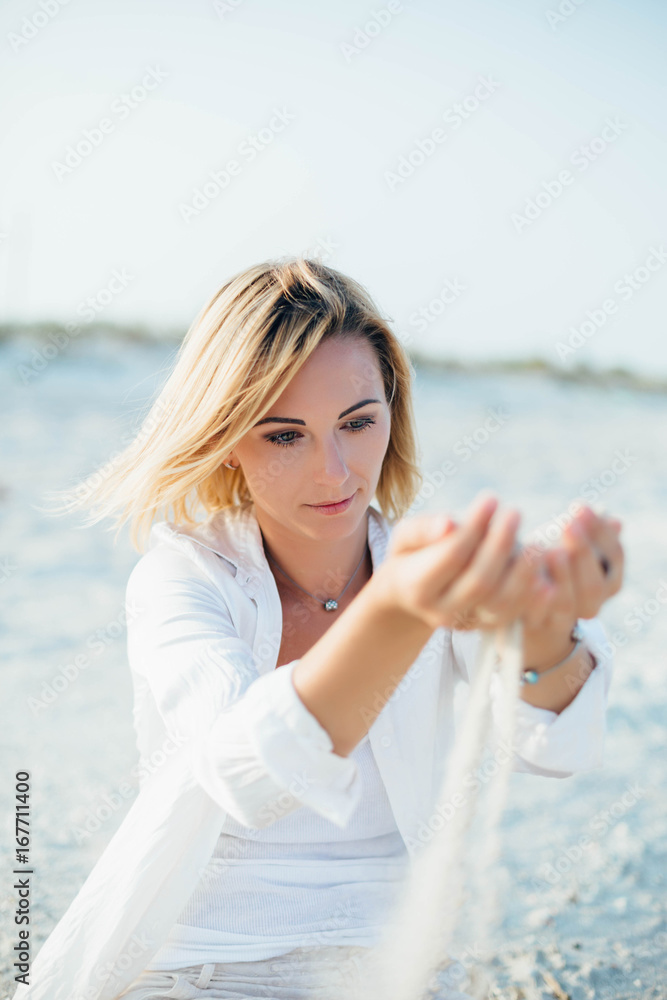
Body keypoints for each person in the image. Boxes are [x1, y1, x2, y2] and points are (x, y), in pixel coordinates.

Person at [18, 257, 624, 1000]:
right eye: (284, 436)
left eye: (357, 423)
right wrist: (398, 612)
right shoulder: (183, 579)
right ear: (225, 438)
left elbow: (557, 744)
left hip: (395, 966)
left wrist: (547, 623)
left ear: (391, 416)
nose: (334, 471)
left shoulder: (419, 562)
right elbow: (248, 772)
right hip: (196, 962)